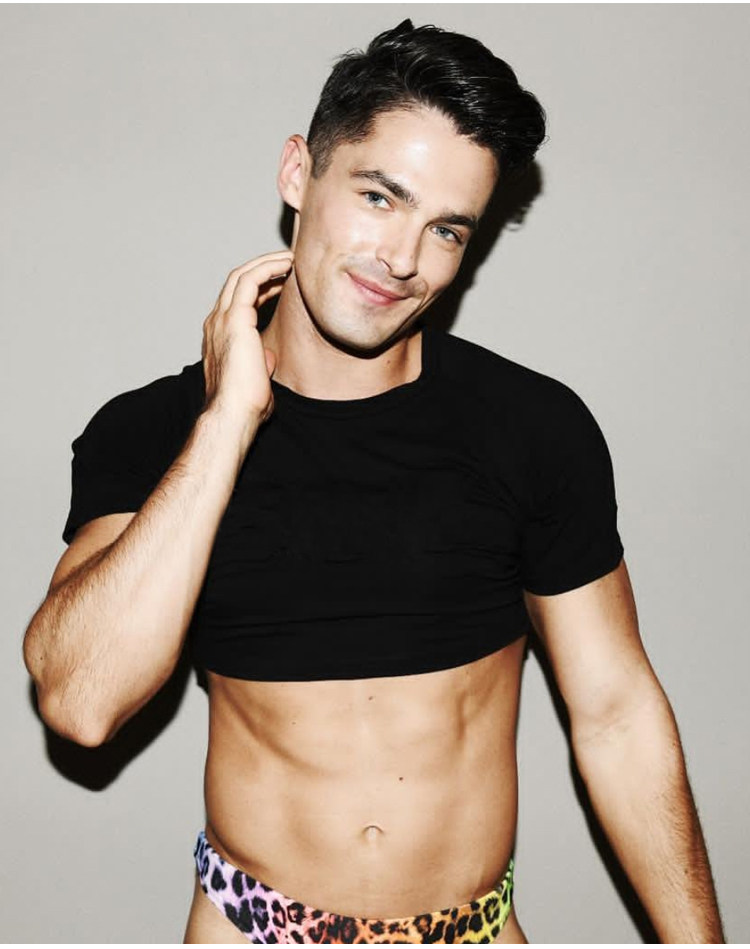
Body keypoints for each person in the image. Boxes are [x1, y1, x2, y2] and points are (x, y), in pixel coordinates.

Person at [22, 19, 724, 945]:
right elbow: (79, 703)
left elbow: (617, 715)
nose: (402, 258)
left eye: (446, 229)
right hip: (251, 928)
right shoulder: (154, 431)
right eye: (379, 197)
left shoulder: (532, 427)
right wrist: (228, 421)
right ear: (297, 174)